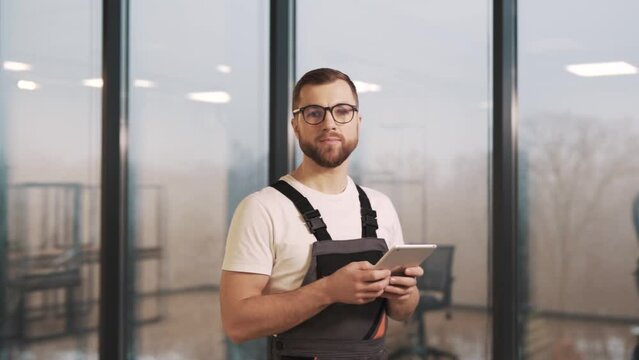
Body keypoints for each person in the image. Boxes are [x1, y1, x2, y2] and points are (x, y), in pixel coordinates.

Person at [220, 68, 423, 359]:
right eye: (314, 113)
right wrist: (328, 290)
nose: (329, 123)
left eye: (342, 111)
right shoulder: (262, 208)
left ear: (358, 122)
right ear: (296, 125)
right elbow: (237, 323)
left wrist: (404, 294)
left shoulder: (381, 206)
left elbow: (401, 313)